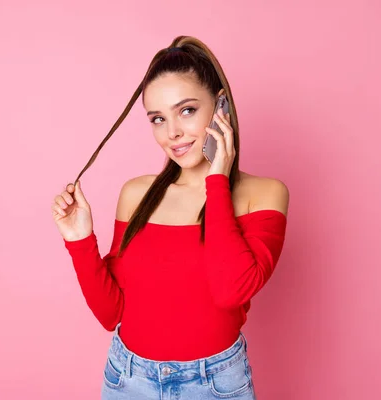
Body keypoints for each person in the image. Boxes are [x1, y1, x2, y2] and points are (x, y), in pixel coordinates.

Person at [51, 35, 289, 399]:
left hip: (214, 385)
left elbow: (231, 291)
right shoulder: (137, 194)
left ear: (220, 106)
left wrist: (217, 181)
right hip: (128, 381)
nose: (172, 132)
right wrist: (79, 240)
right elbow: (111, 313)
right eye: (158, 119)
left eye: (187, 110)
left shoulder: (265, 194)